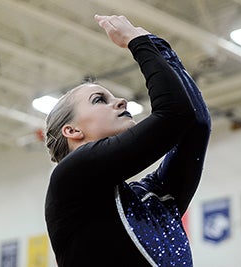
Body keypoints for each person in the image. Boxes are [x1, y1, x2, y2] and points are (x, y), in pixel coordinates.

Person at [44, 14, 211, 267]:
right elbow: (174, 115)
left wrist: (160, 48)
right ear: (72, 130)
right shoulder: (70, 177)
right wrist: (138, 42)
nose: (120, 101)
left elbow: (196, 124)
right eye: (100, 100)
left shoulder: (152, 199)